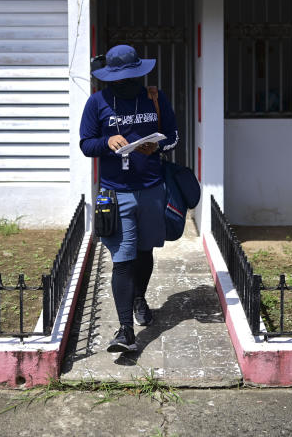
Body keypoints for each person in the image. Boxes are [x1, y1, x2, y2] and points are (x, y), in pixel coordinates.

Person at [79, 44, 179, 353]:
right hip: (115, 192)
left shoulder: (154, 97)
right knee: (122, 259)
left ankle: (139, 299)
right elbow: (86, 144)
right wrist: (107, 141)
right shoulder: (97, 103)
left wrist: (157, 147)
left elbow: (173, 136)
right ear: (109, 77)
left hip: (151, 189)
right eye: (120, 78)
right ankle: (125, 330)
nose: (126, 82)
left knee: (145, 251)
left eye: (132, 76)